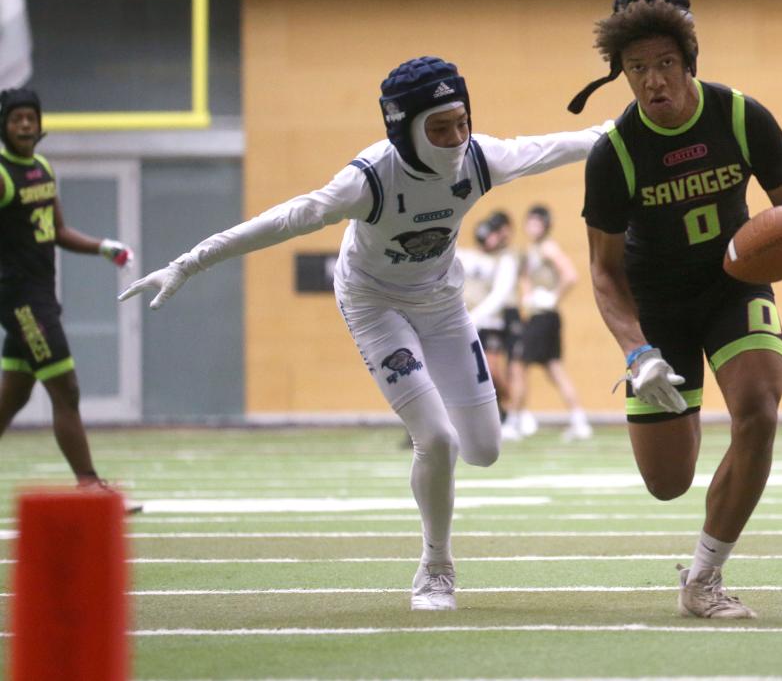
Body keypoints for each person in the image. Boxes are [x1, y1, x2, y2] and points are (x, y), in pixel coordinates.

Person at [120, 56, 607, 610]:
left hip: (443, 301)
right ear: (404, 130)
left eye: (461, 122)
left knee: (485, 449)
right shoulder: (370, 179)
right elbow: (284, 219)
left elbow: (568, 144)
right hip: (374, 302)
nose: (454, 139)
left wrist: (635, 126)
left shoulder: (481, 157)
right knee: (438, 439)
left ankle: (440, 532)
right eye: (439, 127)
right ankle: (436, 565)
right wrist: (188, 262)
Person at [572, 0, 782, 618]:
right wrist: (637, 352)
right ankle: (664, 396)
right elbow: (604, 274)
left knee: (758, 411)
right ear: (622, 74)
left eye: (664, 63)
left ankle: (704, 578)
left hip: (731, 285)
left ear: (688, 61)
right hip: (656, 306)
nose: (653, 80)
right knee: (667, 483)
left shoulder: (741, 116)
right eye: (637, 68)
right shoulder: (615, 152)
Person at [0, 88, 138, 510]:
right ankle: (89, 484)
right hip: (20, 298)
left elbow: (57, 230)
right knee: (66, 387)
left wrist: (102, 246)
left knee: (14, 396)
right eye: (16, 118)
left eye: (31, 117)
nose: (25, 124)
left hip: (41, 292)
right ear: (4, 126)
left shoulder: (41, 168)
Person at [510, 204, 592, 441]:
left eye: (538, 222)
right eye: (530, 221)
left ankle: (514, 421)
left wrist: (552, 297)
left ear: (545, 225)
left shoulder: (547, 247)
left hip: (544, 315)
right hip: (543, 315)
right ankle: (579, 420)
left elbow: (570, 275)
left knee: (518, 364)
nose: (533, 226)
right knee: (553, 369)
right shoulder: (534, 248)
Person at [457, 214, 520, 426]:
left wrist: (476, 316)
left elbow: (500, 293)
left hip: (490, 322)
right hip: (466, 322)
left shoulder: (504, 259)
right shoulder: (467, 256)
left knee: (491, 369)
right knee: (467, 371)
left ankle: (510, 409)